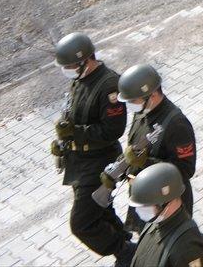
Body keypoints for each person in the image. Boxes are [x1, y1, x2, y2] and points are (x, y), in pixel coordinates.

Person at [116, 65, 203, 258]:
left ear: (153, 95)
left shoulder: (176, 124)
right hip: (146, 193)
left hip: (168, 197)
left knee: (174, 244)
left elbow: (185, 170)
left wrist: (145, 163)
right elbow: (134, 148)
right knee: (156, 241)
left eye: (133, 100)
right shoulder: (143, 112)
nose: (130, 105)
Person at [52, 33, 135, 267]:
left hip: (98, 164)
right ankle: (127, 249)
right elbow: (74, 112)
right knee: (101, 212)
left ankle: (124, 250)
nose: (67, 70)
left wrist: (75, 133)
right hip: (79, 161)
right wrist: (63, 140)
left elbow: (112, 131)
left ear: (85, 60)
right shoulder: (80, 78)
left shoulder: (108, 85)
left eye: (69, 65)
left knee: (82, 223)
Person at [125, 163, 203, 267]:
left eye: (145, 206)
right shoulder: (154, 224)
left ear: (166, 202)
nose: (139, 210)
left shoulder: (187, 249)